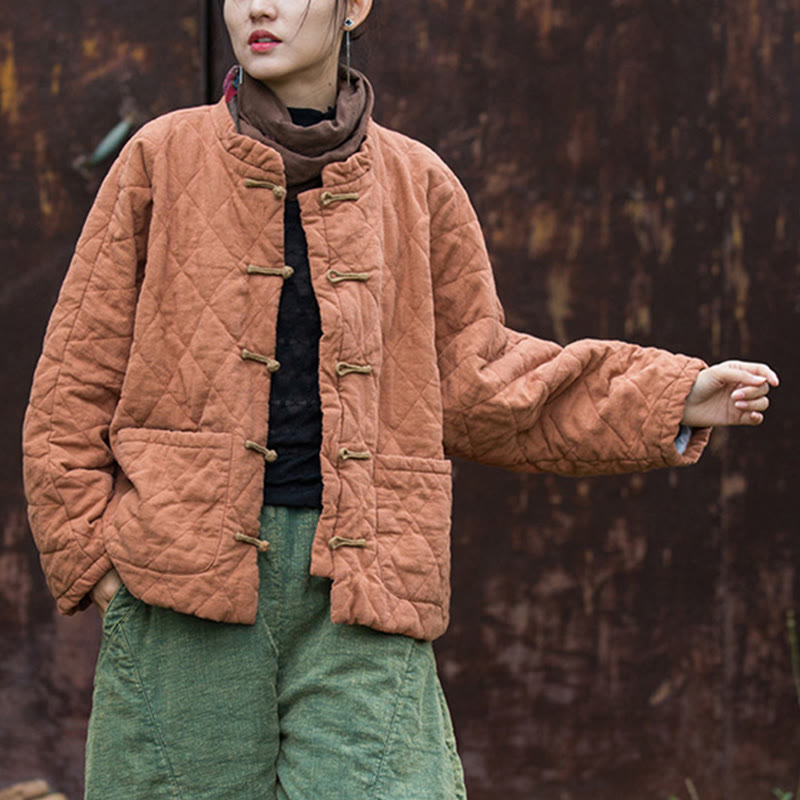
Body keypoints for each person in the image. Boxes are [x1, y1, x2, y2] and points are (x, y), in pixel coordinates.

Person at [22, 1, 779, 798]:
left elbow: (484, 380)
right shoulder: (159, 158)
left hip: (363, 588)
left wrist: (670, 397)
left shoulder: (417, 183)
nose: (258, 8)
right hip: (179, 589)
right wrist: (95, 565)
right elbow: (72, 383)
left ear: (353, 6)